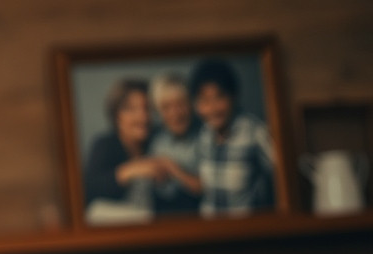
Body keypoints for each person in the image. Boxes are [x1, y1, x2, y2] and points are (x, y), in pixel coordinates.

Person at [188, 57, 277, 217]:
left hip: (245, 233)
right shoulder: (204, 134)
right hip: (208, 233)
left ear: (233, 96)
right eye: (204, 100)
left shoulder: (256, 132)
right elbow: (202, 186)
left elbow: (283, 179)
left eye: (219, 96)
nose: (212, 108)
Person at [80, 78, 170, 224]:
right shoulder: (104, 145)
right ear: (116, 115)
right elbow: (89, 191)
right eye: (131, 109)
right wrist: (130, 171)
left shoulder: (159, 140)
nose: (142, 116)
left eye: (147, 108)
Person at [146, 72, 202, 216]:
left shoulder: (204, 137)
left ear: (191, 104)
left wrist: (172, 168)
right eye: (166, 107)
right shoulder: (157, 140)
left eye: (180, 104)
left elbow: (204, 187)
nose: (175, 113)